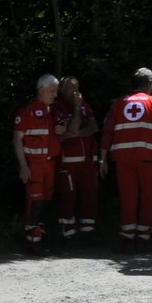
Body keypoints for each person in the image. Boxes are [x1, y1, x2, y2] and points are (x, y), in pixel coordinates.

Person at [99, 68, 152, 253]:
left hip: (123, 159)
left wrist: (102, 159)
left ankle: (127, 238)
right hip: (149, 159)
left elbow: (107, 132)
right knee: (149, 198)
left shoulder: (118, 104)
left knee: (128, 197)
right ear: (150, 85)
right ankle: (143, 239)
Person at [12, 74, 65, 254]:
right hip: (34, 165)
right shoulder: (28, 110)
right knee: (35, 201)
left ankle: (40, 237)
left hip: (50, 165)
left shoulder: (53, 111)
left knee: (46, 201)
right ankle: (32, 241)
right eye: (52, 91)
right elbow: (17, 139)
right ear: (41, 90)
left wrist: (61, 130)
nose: (55, 95)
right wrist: (23, 166)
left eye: (56, 91)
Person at [55, 76, 100, 241]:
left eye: (77, 88)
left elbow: (94, 127)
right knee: (68, 195)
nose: (75, 92)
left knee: (89, 194)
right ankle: (67, 233)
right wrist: (76, 109)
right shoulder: (58, 107)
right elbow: (71, 127)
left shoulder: (83, 104)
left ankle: (88, 232)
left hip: (88, 160)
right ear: (61, 90)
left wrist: (75, 134)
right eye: (70, 88)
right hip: (69, 160)